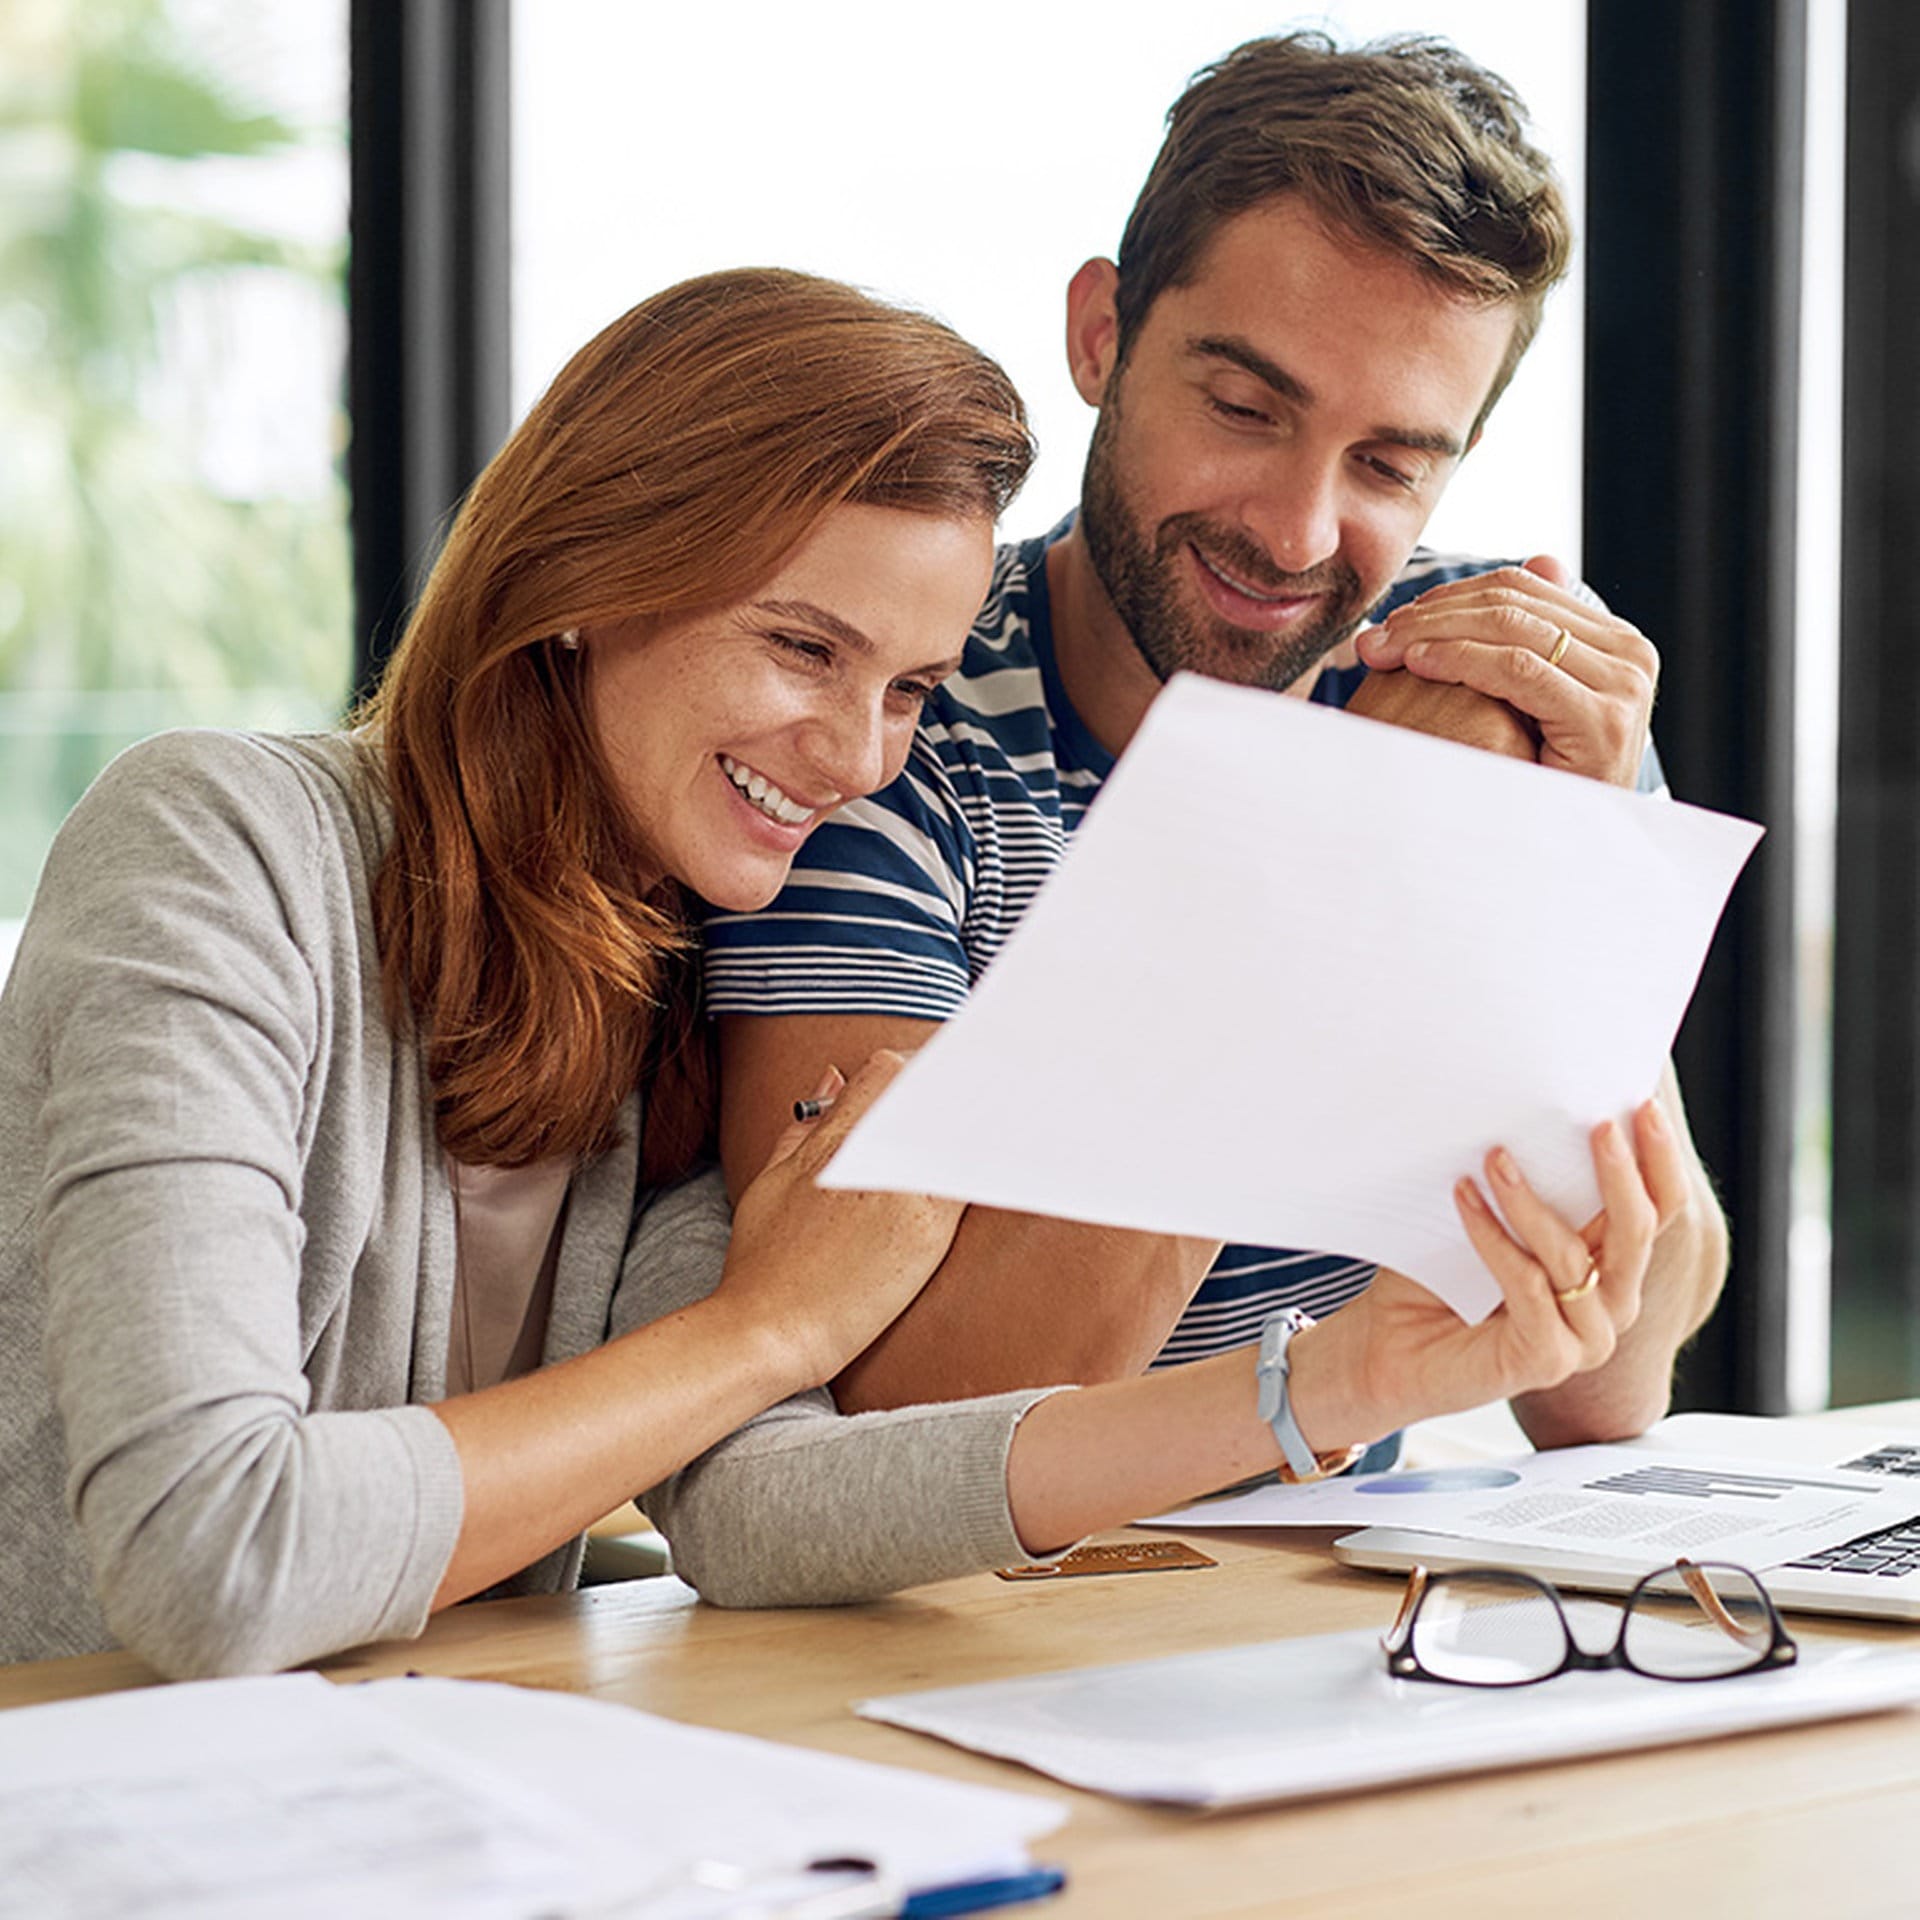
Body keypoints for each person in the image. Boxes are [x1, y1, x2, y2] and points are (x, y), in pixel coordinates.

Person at [702, 33, 1728, 1454]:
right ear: (1101, 336)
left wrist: (1574, 860)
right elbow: (897, 1420)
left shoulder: (1490, 684)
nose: (1298, 530)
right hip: (990, 1633)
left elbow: (1606, 1384)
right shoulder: (890, 721)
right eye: (1245, 409)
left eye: (1387, 465)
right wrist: (1334, 847)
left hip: (1345, 1610)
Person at [0, 266, 1032, 1676]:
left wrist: (1310, 1395)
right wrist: (772, 1321)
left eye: (908, 687)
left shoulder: (671, 966)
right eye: (803, 646)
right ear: (585, 580)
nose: (859, 759)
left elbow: (752, 1504)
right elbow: (214, 1555)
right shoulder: (209, 842)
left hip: (405, 1807)